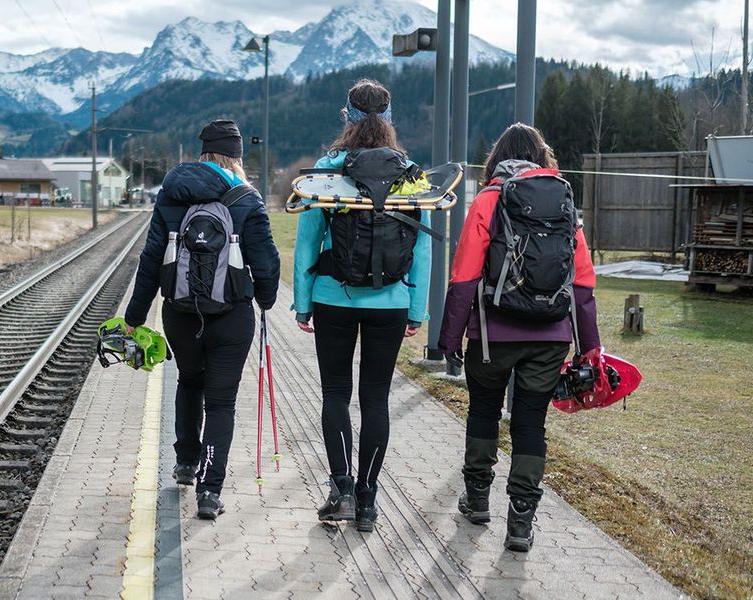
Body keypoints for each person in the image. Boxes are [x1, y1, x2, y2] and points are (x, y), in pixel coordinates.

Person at [438, 122, 601, 552]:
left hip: (494, 335)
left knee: (484, 412)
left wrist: (449, 340)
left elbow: (464, 275)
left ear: (498, 156)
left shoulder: (490, 199)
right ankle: (522, 523)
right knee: (531, 422)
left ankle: (476, 501)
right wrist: (590, 348)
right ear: (541, 156)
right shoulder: (562, 199)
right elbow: (583, 281)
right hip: (550, 337)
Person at [292, 79, 433, 529]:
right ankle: (369, 500)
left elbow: (307, 243)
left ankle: (342, 490)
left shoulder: (327, 170)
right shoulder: (412, 174)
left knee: (335, 393)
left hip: (333, 296)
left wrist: (302, 304)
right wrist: (416, 309)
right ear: (389, 121)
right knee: (376, 397)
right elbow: (423, 249)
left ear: (346, 117)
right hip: (390, 301)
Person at [123, 119, 280, 519]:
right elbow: (267, 261)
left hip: (179, 312)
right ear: (236, 156)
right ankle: (210, 492)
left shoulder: (172, 193)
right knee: (222, 401)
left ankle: (185, 463)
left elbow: (150, 258)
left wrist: (134, 316)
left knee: (189, 382)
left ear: (203, 152)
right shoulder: (246, 198)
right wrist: (264, 299)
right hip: (232, 316)